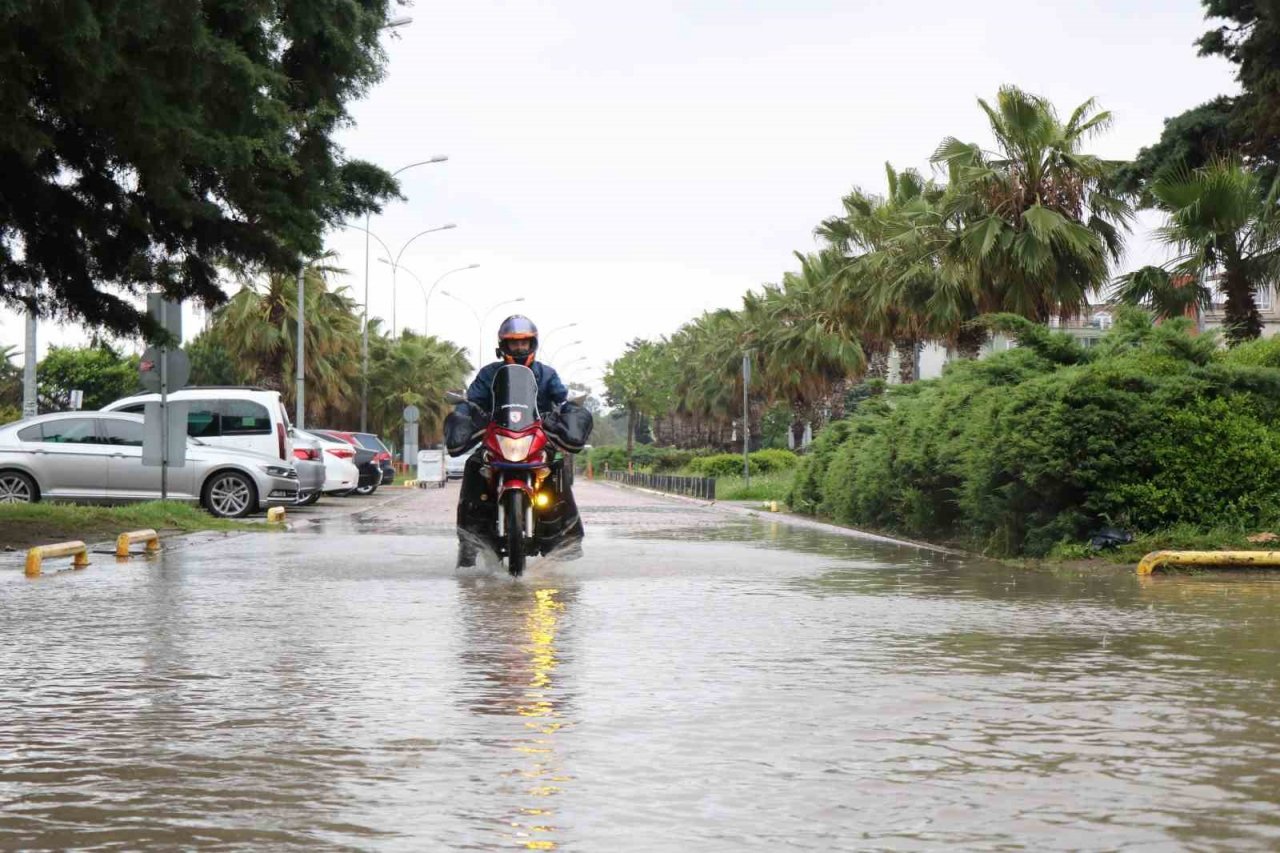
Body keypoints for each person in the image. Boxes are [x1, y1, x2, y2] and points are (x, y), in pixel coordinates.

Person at [447, 315, 586, 567]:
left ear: (533, 344)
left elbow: (562, 398)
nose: (520, 348)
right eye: (514, 344)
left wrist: (567, 409)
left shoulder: (546, 374)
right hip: (498, 436)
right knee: (474, 465)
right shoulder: (489, 374)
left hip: (537, 438)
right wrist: (466, 411)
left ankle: (565, 538)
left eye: (524, 343)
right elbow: (474, 401)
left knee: (558, 466)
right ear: (503, 346)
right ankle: (468, 541)